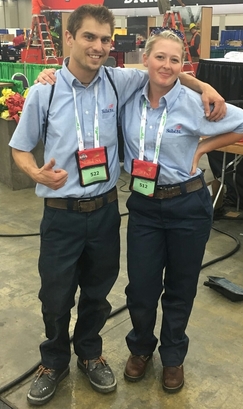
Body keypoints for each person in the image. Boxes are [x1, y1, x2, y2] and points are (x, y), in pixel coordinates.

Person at [10, 4, 226, 407]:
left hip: (107, 212)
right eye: (89, 37)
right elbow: (20, 149)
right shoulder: (46, 89)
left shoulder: (118, 81)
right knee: (55, 296)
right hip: (61, 214)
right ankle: (53, 361)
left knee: (98, 292)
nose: (98, 46)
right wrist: (36, 173)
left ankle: (90, 354)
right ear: (69, 39)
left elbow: (165, 70)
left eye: (105, 39)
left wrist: (206, 87)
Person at [120, 29, 243, 394]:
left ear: (184, 66)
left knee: (180, 288)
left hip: (188, 205)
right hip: (145, 206)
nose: (166, 65)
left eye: (175, 60)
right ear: (145, 59)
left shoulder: (196, 103)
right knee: (142, 287)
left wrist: (201, 150)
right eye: (159, 57)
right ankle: (141, 347)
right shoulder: (129, 95)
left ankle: (174, 357)